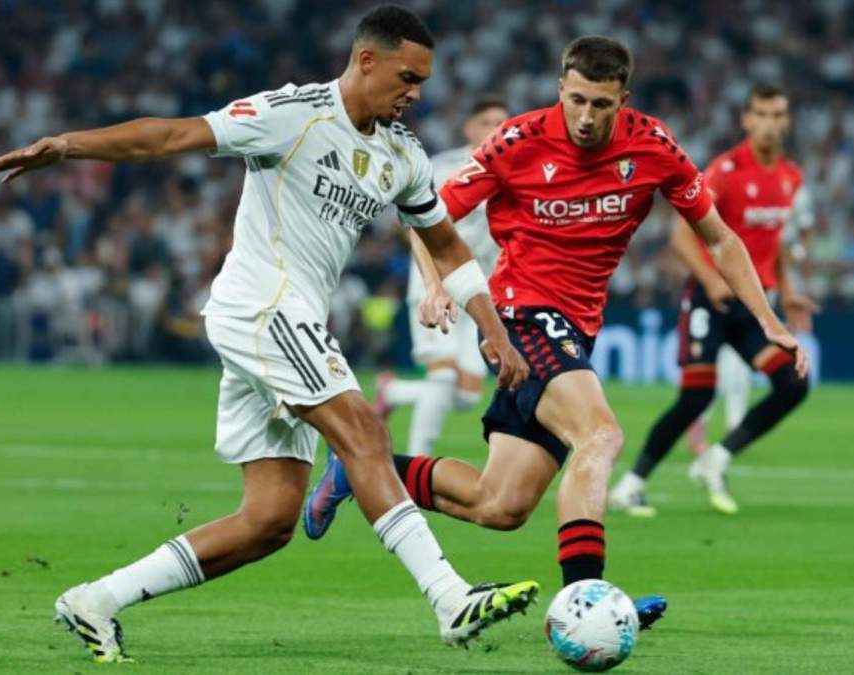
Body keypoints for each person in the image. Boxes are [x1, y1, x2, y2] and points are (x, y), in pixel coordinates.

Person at [0, 6, 536, 664]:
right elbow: (172, 136)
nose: (415, 93)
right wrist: (68, 145)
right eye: (407, 77)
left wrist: (492, 329)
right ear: (366, 60)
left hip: (292, 319)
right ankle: (450, 598)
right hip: (263, 306)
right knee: (362, 431)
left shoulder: (403, 154)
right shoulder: (292, 114)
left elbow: (446, 245)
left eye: (422, 82)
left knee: (269, 520)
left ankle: (95, 599)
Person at [305, 37, 807, 614]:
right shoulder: (517, 140)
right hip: (520, 315)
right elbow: (428, 216)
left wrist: (767, 318)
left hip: (577, 328)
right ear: (560, 89)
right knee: (601, 434)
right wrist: (436, 284)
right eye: (577, 100)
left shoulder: (654, 145)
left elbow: (718, 237)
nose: (586, 117)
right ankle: (585, 604)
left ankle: (361, 469)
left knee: (500, 504)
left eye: (601, 104)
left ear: (624, 100)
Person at [609, 84, 817, 517]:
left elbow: (775, 241)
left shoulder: (790, 177)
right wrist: (710, 279)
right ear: (747, 119)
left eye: (778, 115)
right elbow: (681, 236)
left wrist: (789, 291)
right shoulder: (726, 170)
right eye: (762, 114)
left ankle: (716, 458)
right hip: (710, 300)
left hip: (750, 306)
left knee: (793, 384)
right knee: (696, 398)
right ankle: (631, 485)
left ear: (787, 121)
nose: (770, 123)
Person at [372, 96, 509, 457]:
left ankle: (394, 391)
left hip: (478, 291)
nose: (495, 129)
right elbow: (412, 225)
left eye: (501, 123)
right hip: (436, 284)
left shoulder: (514, 171)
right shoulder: (445, 167)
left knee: (466, 396)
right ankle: (416, 464)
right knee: (443, 376)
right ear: (469, 129)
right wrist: (435, 282)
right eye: (487, 122)